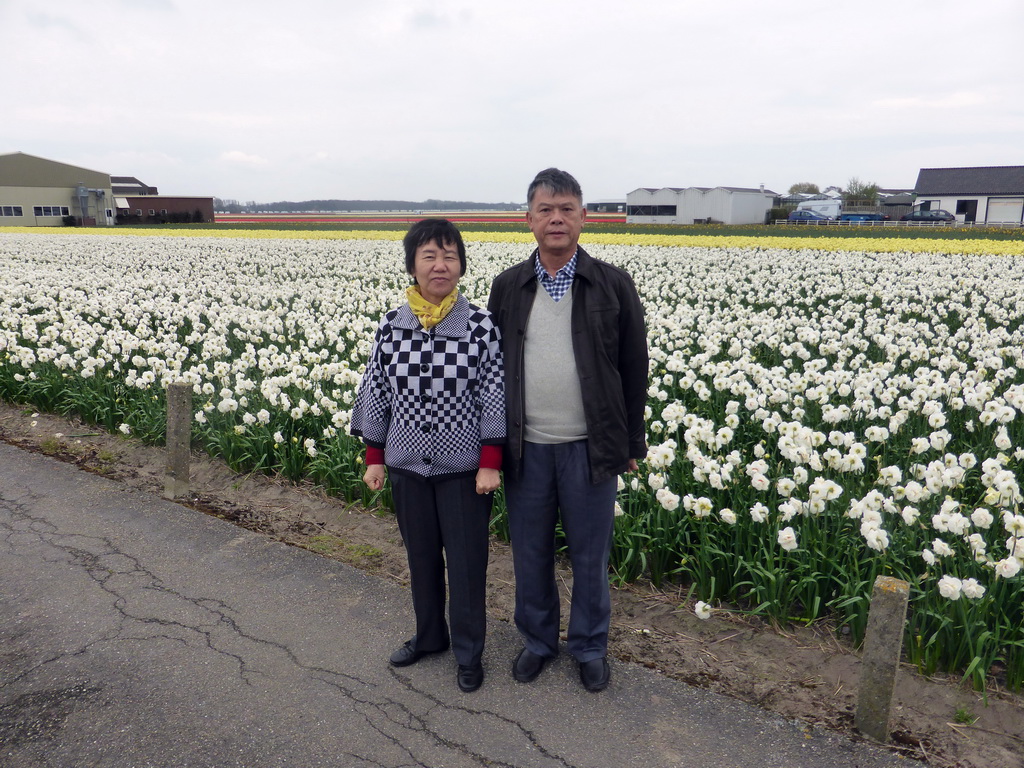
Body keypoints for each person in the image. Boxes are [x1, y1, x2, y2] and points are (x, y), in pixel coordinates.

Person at [487, 168, 648, 693]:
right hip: (526, 448)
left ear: (583, 216)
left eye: (567, 210)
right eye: (545, 210)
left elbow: (633, 365)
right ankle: (538, 642)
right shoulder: (508, 286)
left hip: (590, 447)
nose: (556, 219)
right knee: (529, 554)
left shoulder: (613, 283)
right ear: (528, 219)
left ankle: (588, 646)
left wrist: (631, 443)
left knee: (589, 557)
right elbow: (493, 369)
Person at [350, 218, 505, 693]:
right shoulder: (393, 325)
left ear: (461, 264)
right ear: (412, 265)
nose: (441, 266)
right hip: (406, 465)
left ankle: (468, 651)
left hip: (463, 471)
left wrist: (490, 462)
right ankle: (429, 636)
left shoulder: (480, 327)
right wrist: (375, 454)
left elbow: (494, 394)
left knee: (465, 563)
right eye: (429, 256)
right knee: (421, 560)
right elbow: (376, 390)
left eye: (450, 256)